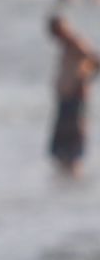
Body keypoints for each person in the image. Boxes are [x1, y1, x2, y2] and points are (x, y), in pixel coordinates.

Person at [48, 15, 100, 177]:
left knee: (73, 133)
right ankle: (66, 174)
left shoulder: (75, 42)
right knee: (63, 135)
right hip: (67, 96)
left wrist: (83, 80)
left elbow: (96, 61)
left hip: (75, 96)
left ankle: (74, 172)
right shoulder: (66, 46)